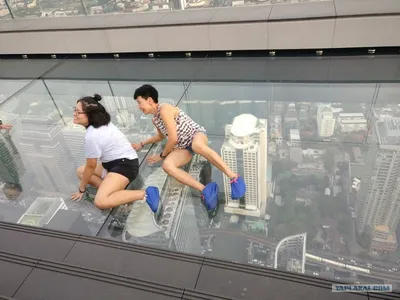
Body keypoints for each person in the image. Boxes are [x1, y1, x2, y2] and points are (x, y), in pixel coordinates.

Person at [133, 84, 246, 211]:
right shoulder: (155, 120)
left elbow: (173, 138)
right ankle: (205, 190)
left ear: (149, 100)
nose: (138, 107)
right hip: (183, 147)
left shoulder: (165, 109)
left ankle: (234, 177)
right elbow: (160, 136)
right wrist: (142, 144)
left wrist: (162, 156)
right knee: (167, 166)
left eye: (139, 102)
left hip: (195, 135)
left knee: (197, 146)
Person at [70, 94, 160, 214]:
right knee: (81, 172)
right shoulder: (102, 122)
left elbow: (91, 166)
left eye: (78, 112)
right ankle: (112, 192)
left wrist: (81, 190)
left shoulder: (92, 136)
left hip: (125, 166)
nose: (74, 113)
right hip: (113, 163)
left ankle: (145, 193)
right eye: (74, 110)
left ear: (90, 115)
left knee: (100, 202)